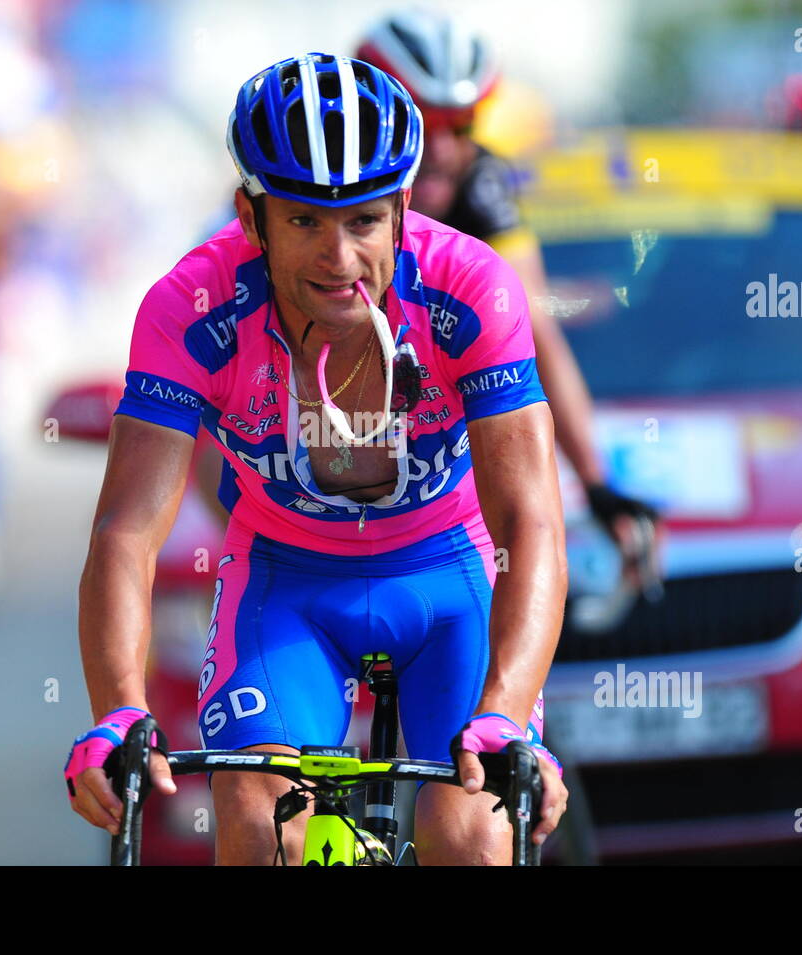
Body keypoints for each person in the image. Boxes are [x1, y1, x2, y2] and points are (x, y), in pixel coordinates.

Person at [67, 52, 569, 865]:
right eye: (304, 222)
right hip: (286, 585)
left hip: (449, 577)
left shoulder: (473, 289)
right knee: (270, 827)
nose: (337, 257)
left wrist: (507, 712)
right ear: (250, 214)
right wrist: (120, 711)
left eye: (363, 221)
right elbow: (127, 529)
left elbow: (531, 518)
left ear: (404, 208)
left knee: (471, 834)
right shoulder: (189, 308)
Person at [356, 11, 659, 566]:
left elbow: (536, 327)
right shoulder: (322, 186)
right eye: (423, 122)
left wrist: (594, 484)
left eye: (462, 125)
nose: (444, 150)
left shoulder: (481, 181)